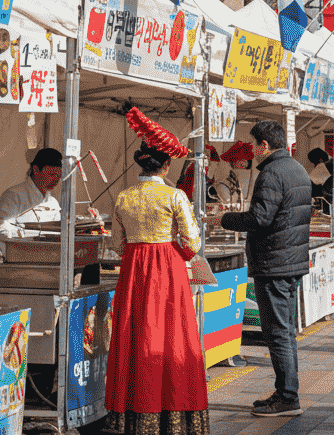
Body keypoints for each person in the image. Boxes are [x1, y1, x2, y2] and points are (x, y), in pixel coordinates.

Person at [105, 109, 209, 434]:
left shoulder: (123, 197)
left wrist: (140, 250)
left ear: (141, 164)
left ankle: (132, 414)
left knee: (135, 336)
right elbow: (192, 242)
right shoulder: (174, 195)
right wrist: (172, 250)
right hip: (168, 269)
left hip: (134, 270)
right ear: (165, 165)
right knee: (172, 338)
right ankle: (174, 414)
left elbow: (117, 245)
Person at [208, 120, 313, 417]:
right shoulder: (297, 169)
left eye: (254, 145)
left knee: (278, 333)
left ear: (264, 146)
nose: (252, 151)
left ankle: (288, 397)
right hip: (290, 261)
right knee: (286, 331)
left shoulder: (271, 173)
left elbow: (259, 218)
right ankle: (284, 390)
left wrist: (225, 219)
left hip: (274, 264)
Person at [0, 147, 63, 254]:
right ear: (36, 170)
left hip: (45, 255)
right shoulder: (15, 195)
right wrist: (21, 238)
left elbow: (57, 231)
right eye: (52, 174)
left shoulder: (53, 202)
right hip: (16, 256)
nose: (56, 179)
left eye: (59, 176)